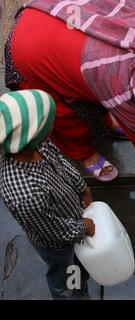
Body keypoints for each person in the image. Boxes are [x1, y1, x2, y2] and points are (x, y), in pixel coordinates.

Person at [5, 0, 135, 206]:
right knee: (69, 116)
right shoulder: (120, 90)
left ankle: (106, 123)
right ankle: (84, 153)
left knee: (94, 94)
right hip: (29, 49)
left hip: (60, 13)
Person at [0, 90, 94, 299]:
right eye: (50, 121)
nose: (54, 123)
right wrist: (83, 227)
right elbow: (53, 231)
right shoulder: (24, 194)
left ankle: (80, 282)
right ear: (32, 133)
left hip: (71, 219)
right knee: (64, 275)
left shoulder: (36, 143)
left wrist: (82, 187)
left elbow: (60, 162)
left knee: (79, 267)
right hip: (58, 244)